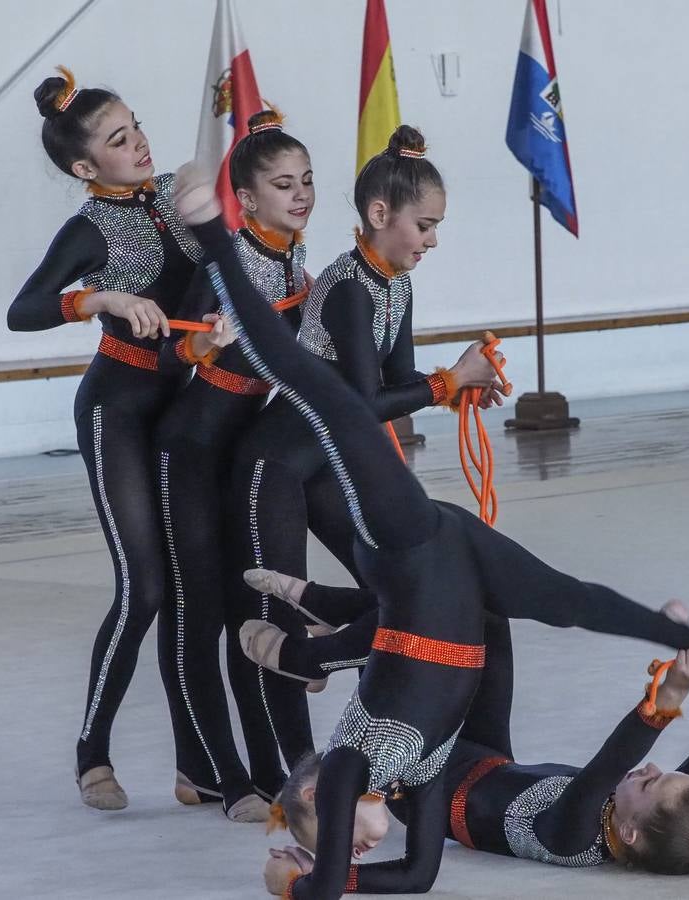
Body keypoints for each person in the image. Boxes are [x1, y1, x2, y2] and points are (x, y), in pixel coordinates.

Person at [169, 159, 689, 898]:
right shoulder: (416, 778)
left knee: (313, 384)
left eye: (343, 837)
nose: (360, 845)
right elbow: (417, 879)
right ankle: (672, 630)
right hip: (463, 588)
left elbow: (331, 882)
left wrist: (300, 882)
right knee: (565, 600)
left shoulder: (353, 763)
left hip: (412, 548)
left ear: (328, 799)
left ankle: (212, 239)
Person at [220, 124, 506, 795]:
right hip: (277, 467)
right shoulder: (349, 285)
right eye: (425, 226)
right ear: (381, 216)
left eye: (436, 227)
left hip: (326, 466)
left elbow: (396, 386)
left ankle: (389, 720)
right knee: (275, 619)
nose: (432, 241)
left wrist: (461, 385)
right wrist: (448, 381)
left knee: (402, 591)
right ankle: (290, 772)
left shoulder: (396, 286)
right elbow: (362, 402)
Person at [261, 603, 689, 892]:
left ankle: (326, 649)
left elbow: (612, 759)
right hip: (488, 753)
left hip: (427, 783)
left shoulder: (576, 835)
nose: (652, 769)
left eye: (649, 782)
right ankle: (344, 630)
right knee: (484, 609)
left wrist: (670, 694)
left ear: (630, 834)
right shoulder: (642, 814)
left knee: (418, 672)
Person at [8, 67, 232, 812]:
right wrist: (97, 297)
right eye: (116, 139)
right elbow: (24, 310)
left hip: (187, 404)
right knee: (144, 588)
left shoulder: (174, 192)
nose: (137, 143)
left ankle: (197, 766)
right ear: (83, 167)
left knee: (197, 593)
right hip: (119, 408)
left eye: (134, 126)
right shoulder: (89, 230)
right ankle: (91, 754)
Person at [150, 109, 317, 815]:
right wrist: (202, 345)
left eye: (307, 180)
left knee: (253, 610)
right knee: (201, 612)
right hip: (189, 450)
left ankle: (269, 766)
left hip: (242, 456)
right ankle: (223, 775)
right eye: (283, 184)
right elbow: (170, 351)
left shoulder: (297, 263)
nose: (301, 194)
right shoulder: (227, 261)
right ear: (245, 200)